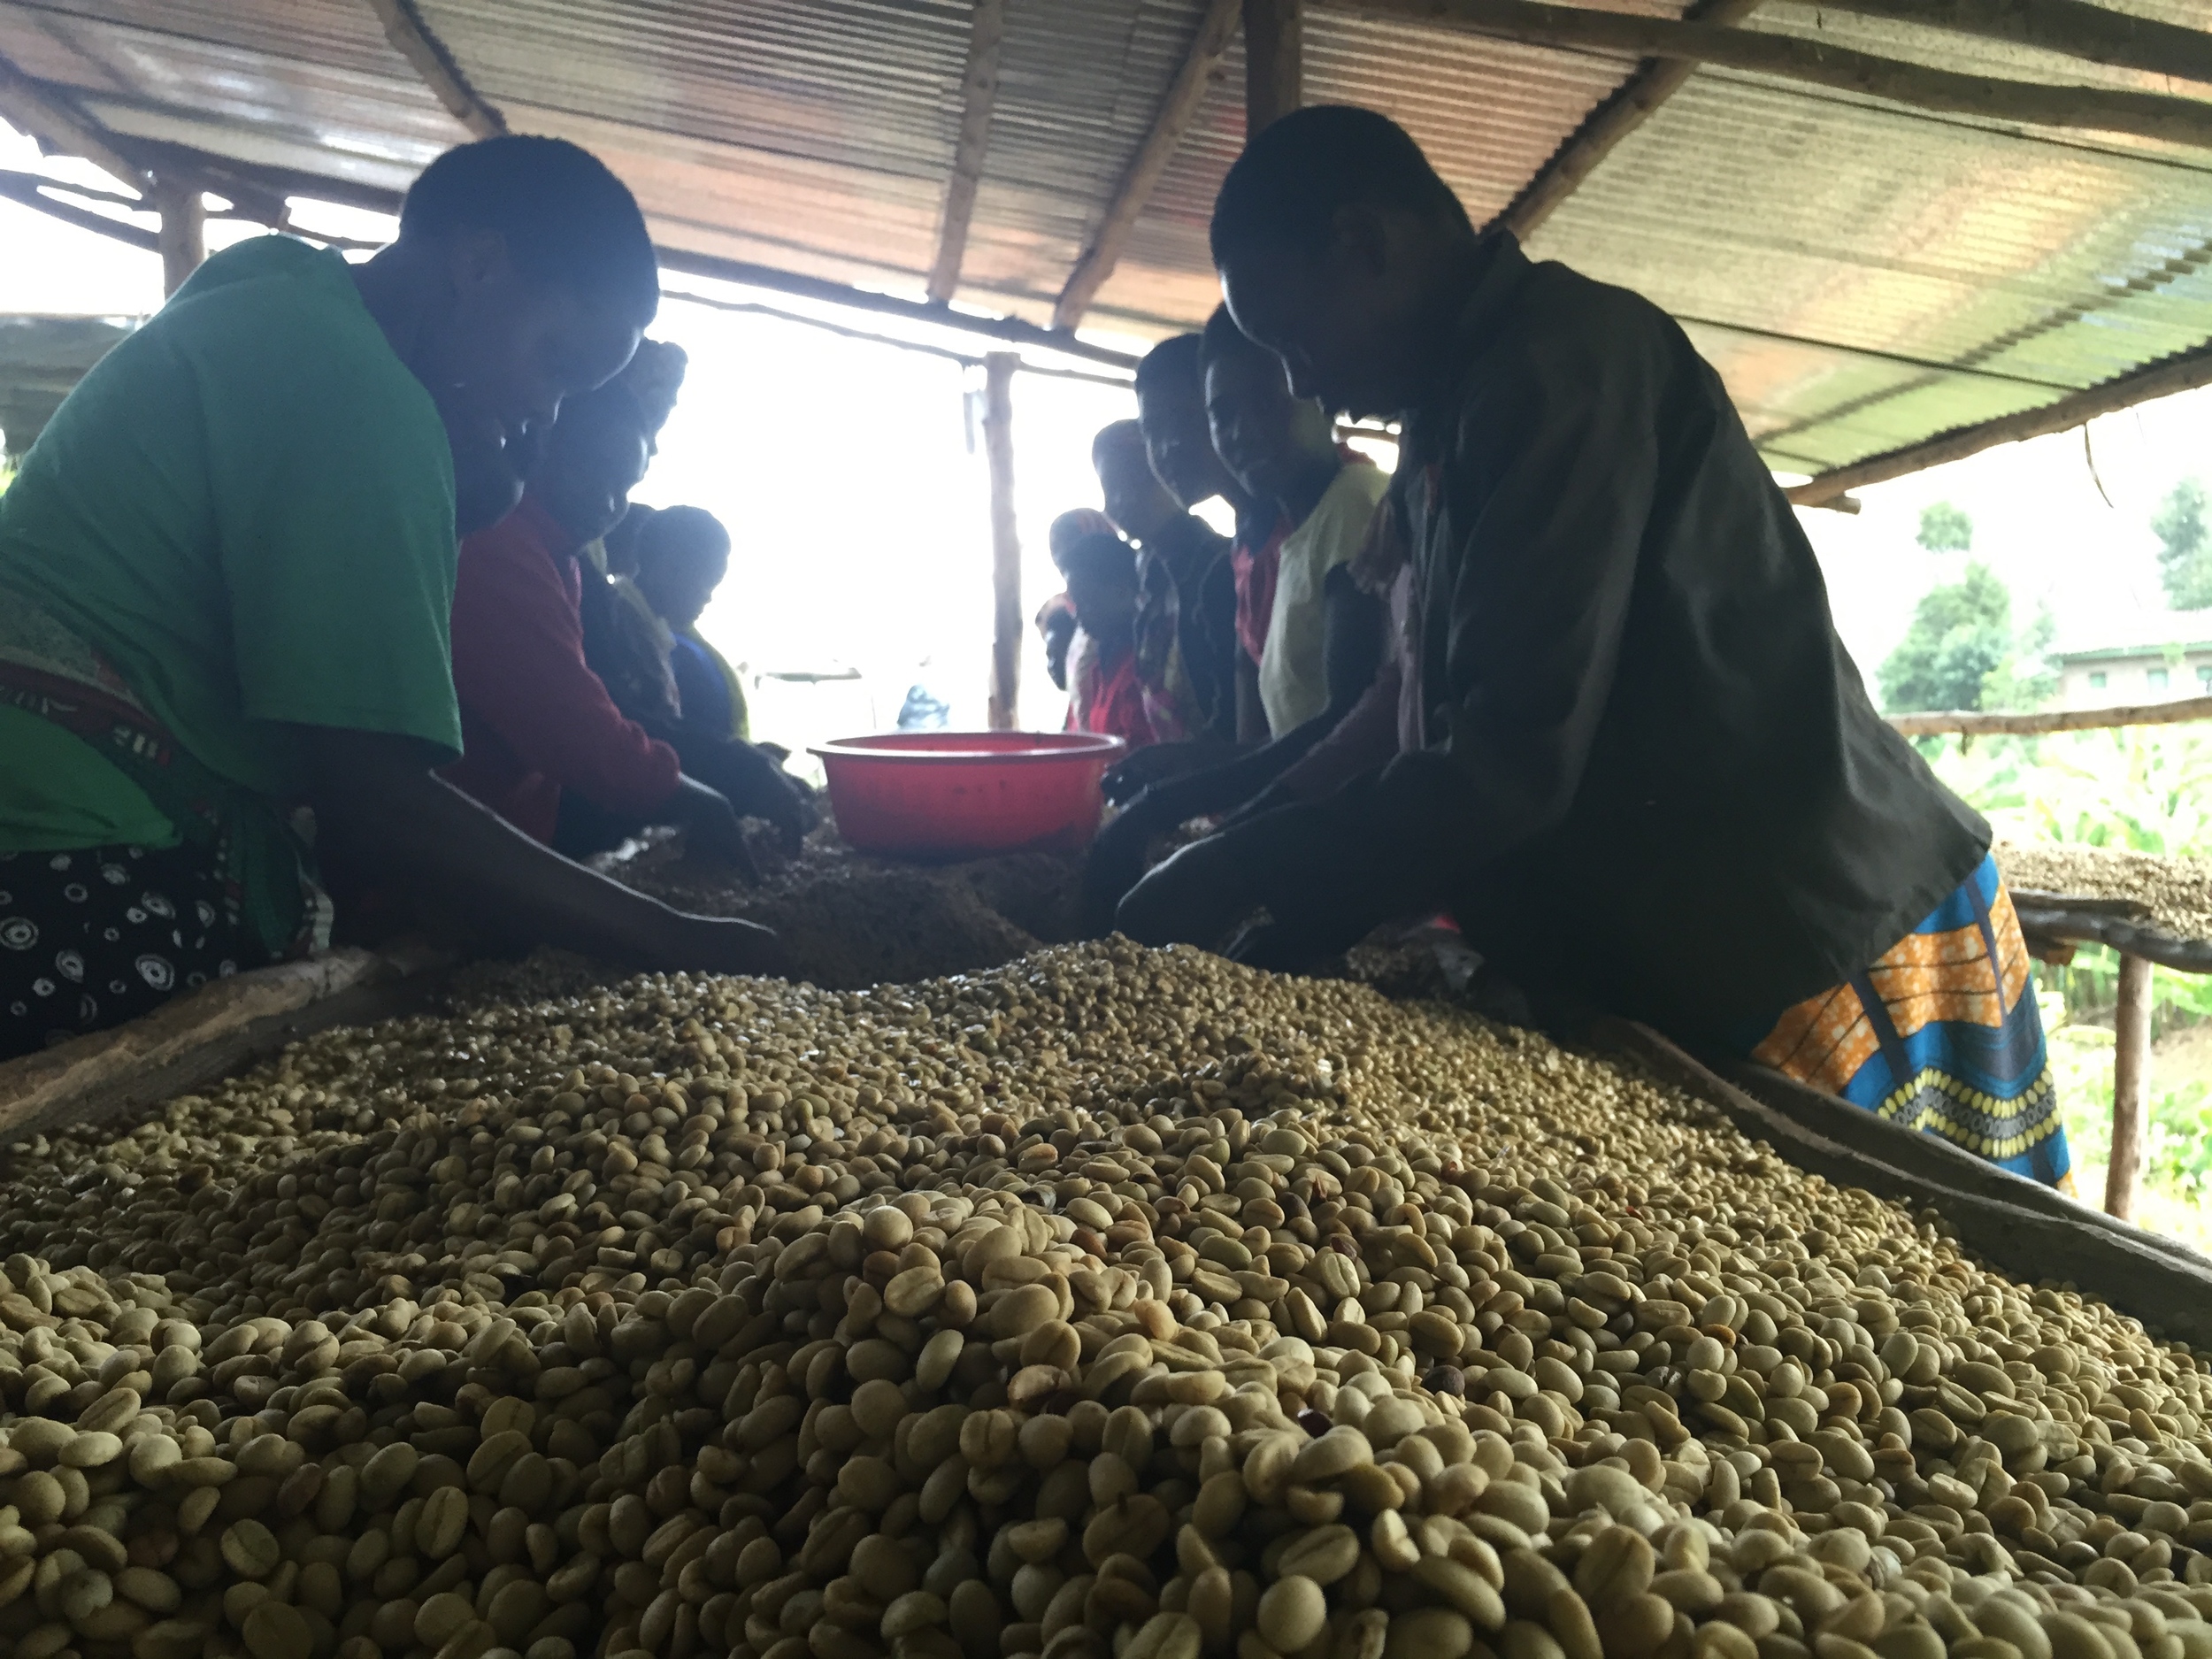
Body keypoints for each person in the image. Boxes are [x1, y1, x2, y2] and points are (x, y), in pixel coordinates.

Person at [1118, 105, 2069, 1187]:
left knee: (1935, 1302)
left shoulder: (1561, 364)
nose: (1307, 388)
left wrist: (1249, 867)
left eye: (1295, 344)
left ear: (1363, 245)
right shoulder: (1446, 411)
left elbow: (1511, 763)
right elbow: (1407, 702)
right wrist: (1261, 854)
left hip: (1822, 931)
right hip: (1700, 942)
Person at [0, 135, 780, 1058]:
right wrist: (674, 939)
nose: (546, 412)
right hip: (65, 850)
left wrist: (466, 487)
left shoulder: (277, 289)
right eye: (558, 366)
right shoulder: (362, 398)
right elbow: (375, 802)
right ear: (481, 265)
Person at [1130, 334, 1281, 750]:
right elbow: (1238, 728)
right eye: (1152, 430)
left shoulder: (1301, 528)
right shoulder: (1243, 552)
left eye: (1186, 419)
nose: (1168, 446)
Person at [1090, 419, 1238, 749]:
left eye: (1125, 484)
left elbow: (1233, 714)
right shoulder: (1146, 569)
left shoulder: (1218, 566)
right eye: (1106, 489)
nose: (1111, 506)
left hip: (1221, 773)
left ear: (1162, 474)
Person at [633, 505, 749, 743]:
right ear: (667, 568)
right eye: (706, 581)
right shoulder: (627, 633)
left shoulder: (662, 634)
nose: (708, 597)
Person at [1059, 532, 1153, 749]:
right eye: (1076, 603)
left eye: (1088, 600)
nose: (1079, 615)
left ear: (1123, 592)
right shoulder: (1101, 666)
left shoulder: (1145, 667)